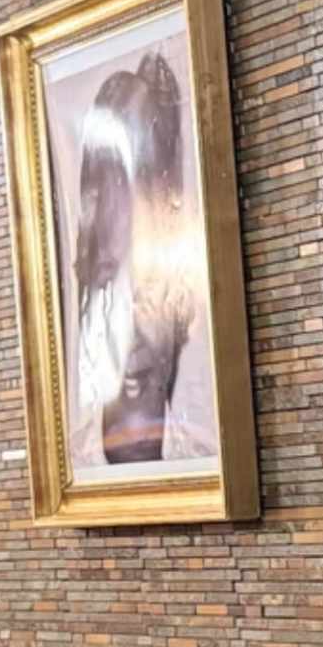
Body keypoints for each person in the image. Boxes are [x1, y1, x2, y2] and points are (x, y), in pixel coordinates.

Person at [69, 53, 206, 471]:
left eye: (147, 286)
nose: (127, 332)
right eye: (109, 279)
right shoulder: (73, 455)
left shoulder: (202, 441)